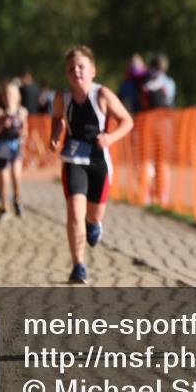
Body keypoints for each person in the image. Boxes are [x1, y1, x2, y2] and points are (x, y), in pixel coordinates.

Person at [49, 45, 133, 284]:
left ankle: (93, 223)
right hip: (73, 158)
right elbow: (57, 119)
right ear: (66, 74)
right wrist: (55, 135)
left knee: (94, 215)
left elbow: (127, 121)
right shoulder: (62, 98)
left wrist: (110, 138)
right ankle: (78, 265)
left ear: (92, 71)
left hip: (99, 160)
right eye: (71, 68)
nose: (76, 71)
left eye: (81, 67)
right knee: (75, 211)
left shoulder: (102, 95)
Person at [0, 80, 29, 221]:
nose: (9, 97)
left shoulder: (22, 112)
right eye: (6, 94)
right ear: (2, 96)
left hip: (15, 147)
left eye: (12, 94)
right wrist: (1, 125)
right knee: (3, 181)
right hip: (1, 147)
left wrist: (20, 132)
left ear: (17, 96)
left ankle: (17, 200)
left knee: (16, 176)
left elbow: (25, 131)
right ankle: (4, 207)